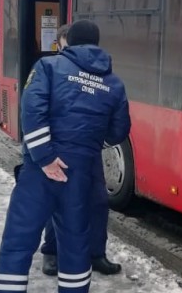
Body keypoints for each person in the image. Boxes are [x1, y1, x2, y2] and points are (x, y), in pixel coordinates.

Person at [0, 20, 131, 293]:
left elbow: (31, 109)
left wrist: (45, 157)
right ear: (97, 44)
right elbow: (118, 133)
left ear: (68, 42)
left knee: (17, 247)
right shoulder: (114, 84)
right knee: (75, 247)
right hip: (82, 176)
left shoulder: (48, 66)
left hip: (41, 174)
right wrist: (86, 143)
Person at [40, 24, 122, 277]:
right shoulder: (51, 69)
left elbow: (113, 117)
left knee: (97, 204)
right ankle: (52, 253)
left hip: (89, 153)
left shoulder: (100, 73)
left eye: (66, 43)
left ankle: (96, 254)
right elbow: (35, 110)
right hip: (58, 150)